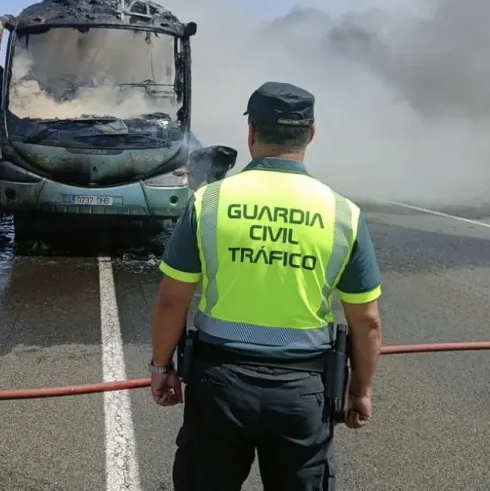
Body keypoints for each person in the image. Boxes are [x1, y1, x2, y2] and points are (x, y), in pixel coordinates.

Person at [149, 81, 383, 490]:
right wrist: (360, 391)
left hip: (219, 384)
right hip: (303, 394)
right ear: (310, 134)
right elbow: (367, 322)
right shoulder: (343, 214)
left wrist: (161, 367)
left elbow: (172, 300)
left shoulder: (209, 202)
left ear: (251, 132)